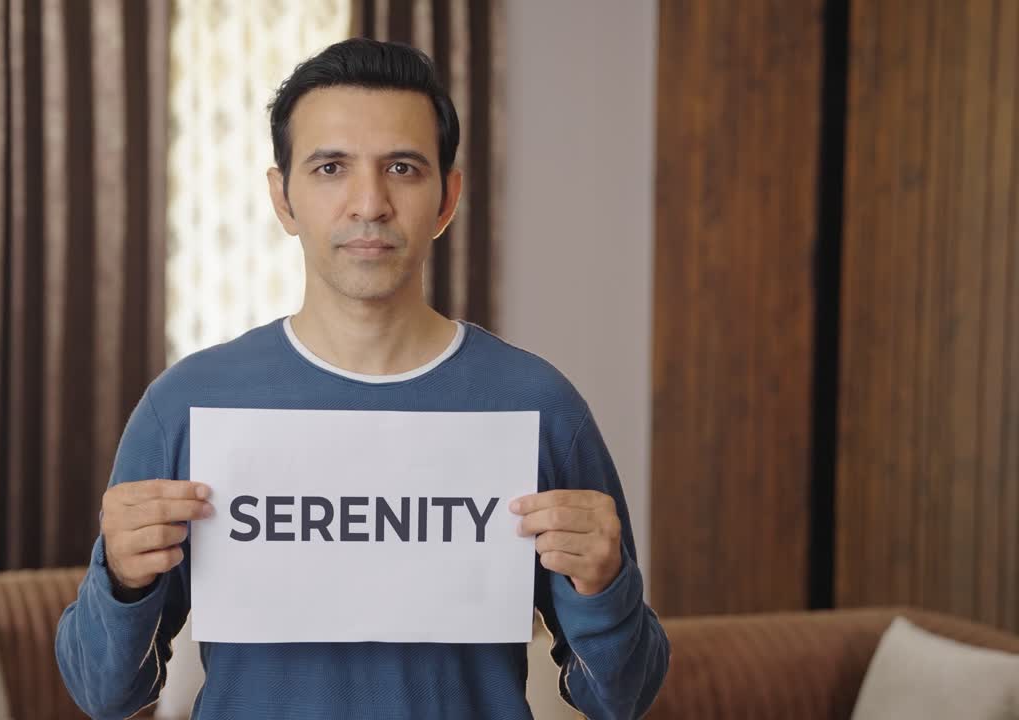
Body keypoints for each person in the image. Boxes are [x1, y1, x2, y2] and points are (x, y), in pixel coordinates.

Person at [56, 37, 669, 720]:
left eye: (403, 167)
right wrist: (122, 578)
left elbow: (623, 698)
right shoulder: (185, 407)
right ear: (282, 198)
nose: (369, 203)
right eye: (330, 168)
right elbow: (103, 695)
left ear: (447, 198)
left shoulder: (540, 408)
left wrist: (605, 585)